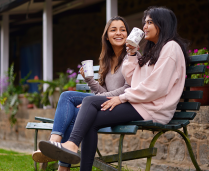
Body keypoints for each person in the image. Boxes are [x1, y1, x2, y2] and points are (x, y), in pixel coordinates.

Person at [38, 6, 190, 171]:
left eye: (149, 22)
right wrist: (132, 55)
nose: (144, 26)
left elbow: (156, 87)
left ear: (162, 24)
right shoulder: (154, 49)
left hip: (153, 108)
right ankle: (74, 152)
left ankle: (71, 144)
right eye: (145, 22)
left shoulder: (171, 48)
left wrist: (122, 98)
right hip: (142, 104)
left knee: (89, 103)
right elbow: (135, 79)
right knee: (90, 118)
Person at [32, 16, 132, 171]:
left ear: (128, 34)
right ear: (107, 36)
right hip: (105, 102)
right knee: (74, 108)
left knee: (68, 96)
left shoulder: (132, 57)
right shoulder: (106, 60)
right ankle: (62, 165)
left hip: (121, 106)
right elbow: (104, 92)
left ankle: (53, 145)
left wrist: (93, 99)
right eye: (113, 30)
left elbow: (128, 88)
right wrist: (90, 80)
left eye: (123, 30)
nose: (118, 33)